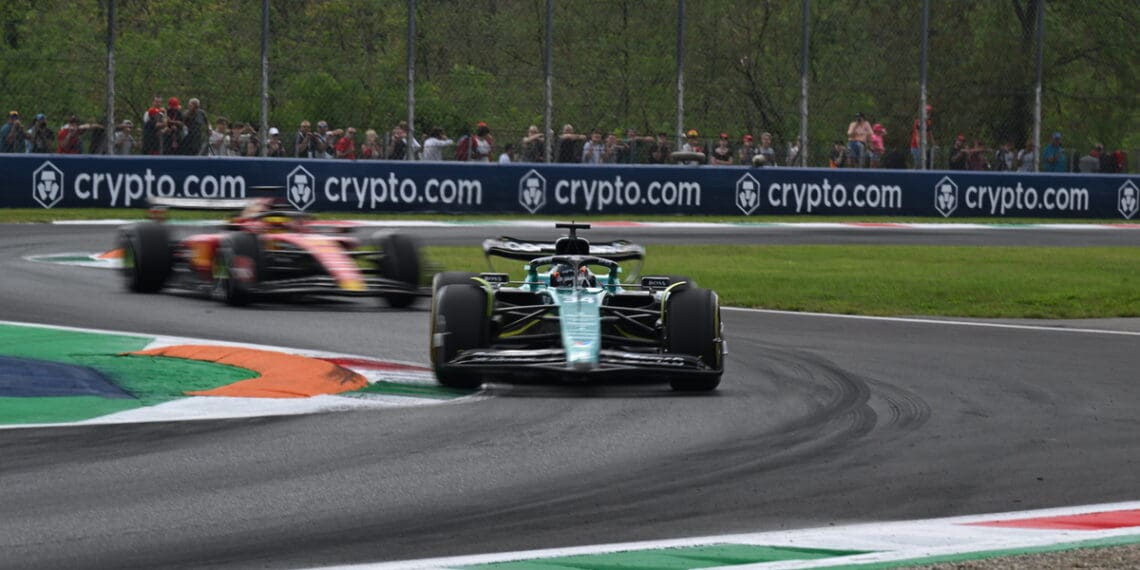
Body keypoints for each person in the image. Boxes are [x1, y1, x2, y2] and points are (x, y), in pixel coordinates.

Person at [911, 104, 935, 169]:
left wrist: (933, 144)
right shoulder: (919, 121)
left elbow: (930, 133)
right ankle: (913, 174)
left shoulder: (928, 122)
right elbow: (917, 134)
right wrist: (919, 146)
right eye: (927, 112)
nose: (929, 114)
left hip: (923, 146)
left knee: (925, 164)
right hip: (916, 146)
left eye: (929, 112)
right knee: (919, 164)